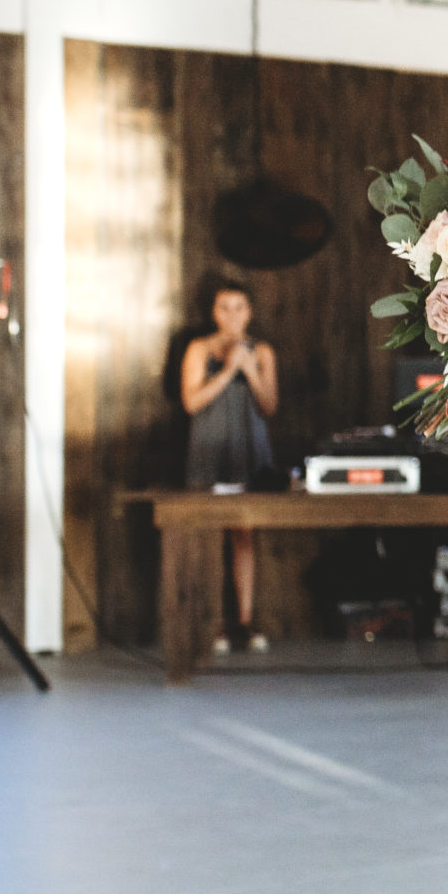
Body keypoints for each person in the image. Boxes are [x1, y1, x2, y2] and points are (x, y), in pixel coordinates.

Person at [178, 276, 279, 657]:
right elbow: (191, 402)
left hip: (249, 448)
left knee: (244, 532)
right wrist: (226, 370)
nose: (232, 315)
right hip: (208, 448)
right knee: (209, 532)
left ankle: (245, 618)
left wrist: (248, 368)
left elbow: (269, 405)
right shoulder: (198, 349)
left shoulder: (263, 351)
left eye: (239, 307)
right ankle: (213, 620)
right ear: (214, 312)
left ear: (249, 311)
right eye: (224, 307)